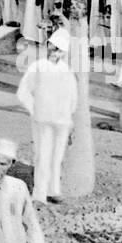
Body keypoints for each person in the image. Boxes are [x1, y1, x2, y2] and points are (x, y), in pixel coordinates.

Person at [17, 29, 77, 204]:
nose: (55, 53)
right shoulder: (37, 67)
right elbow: (23, 92)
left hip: (62, 121)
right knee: (43, 155)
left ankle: (54, 189)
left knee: (57, 156)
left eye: (59, 50)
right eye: (53, 48)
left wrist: (69, 117)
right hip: (43, 119)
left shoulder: (67, 70)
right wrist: (34, 110)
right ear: (48, 46)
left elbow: (73, 97)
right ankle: (39, 192)